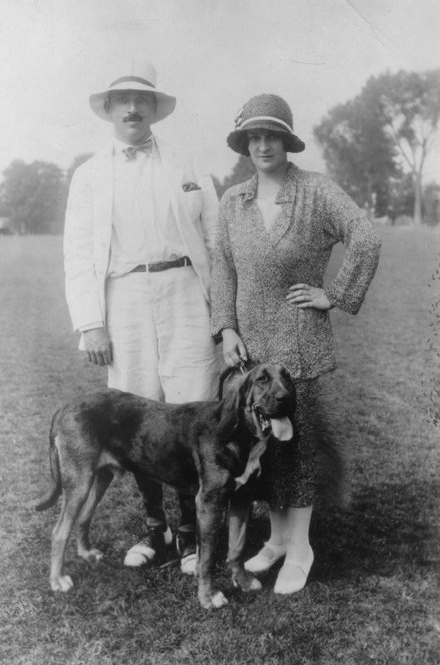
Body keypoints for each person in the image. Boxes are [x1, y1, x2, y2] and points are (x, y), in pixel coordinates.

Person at [210, 93, 381, 595]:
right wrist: (226, 328)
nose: (263, 145)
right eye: (254, 137)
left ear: (287, 140)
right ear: (245, 143)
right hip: (250, 348)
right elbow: (222, 264)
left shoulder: (315, 191)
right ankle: (279, 539)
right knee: (265, 446)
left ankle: (301, 547)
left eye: (272, 135)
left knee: (298, 447)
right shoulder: (233, 200)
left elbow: (365, 236)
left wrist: (337, 295)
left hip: (299, 340)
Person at [64, 60, 220, 575]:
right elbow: (78, 253)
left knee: (193, 409)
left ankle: (191, 532)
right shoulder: (89, 175)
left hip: (183, 292)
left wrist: (222, 312)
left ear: (155, 108)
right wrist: (91, 322)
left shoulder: (185, 162)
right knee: (136, 416)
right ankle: (155, 529)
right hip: (123, 297)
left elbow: (216, 240)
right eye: (122, 101)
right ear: (109, 109)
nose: (132, 108)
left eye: (142, 101)